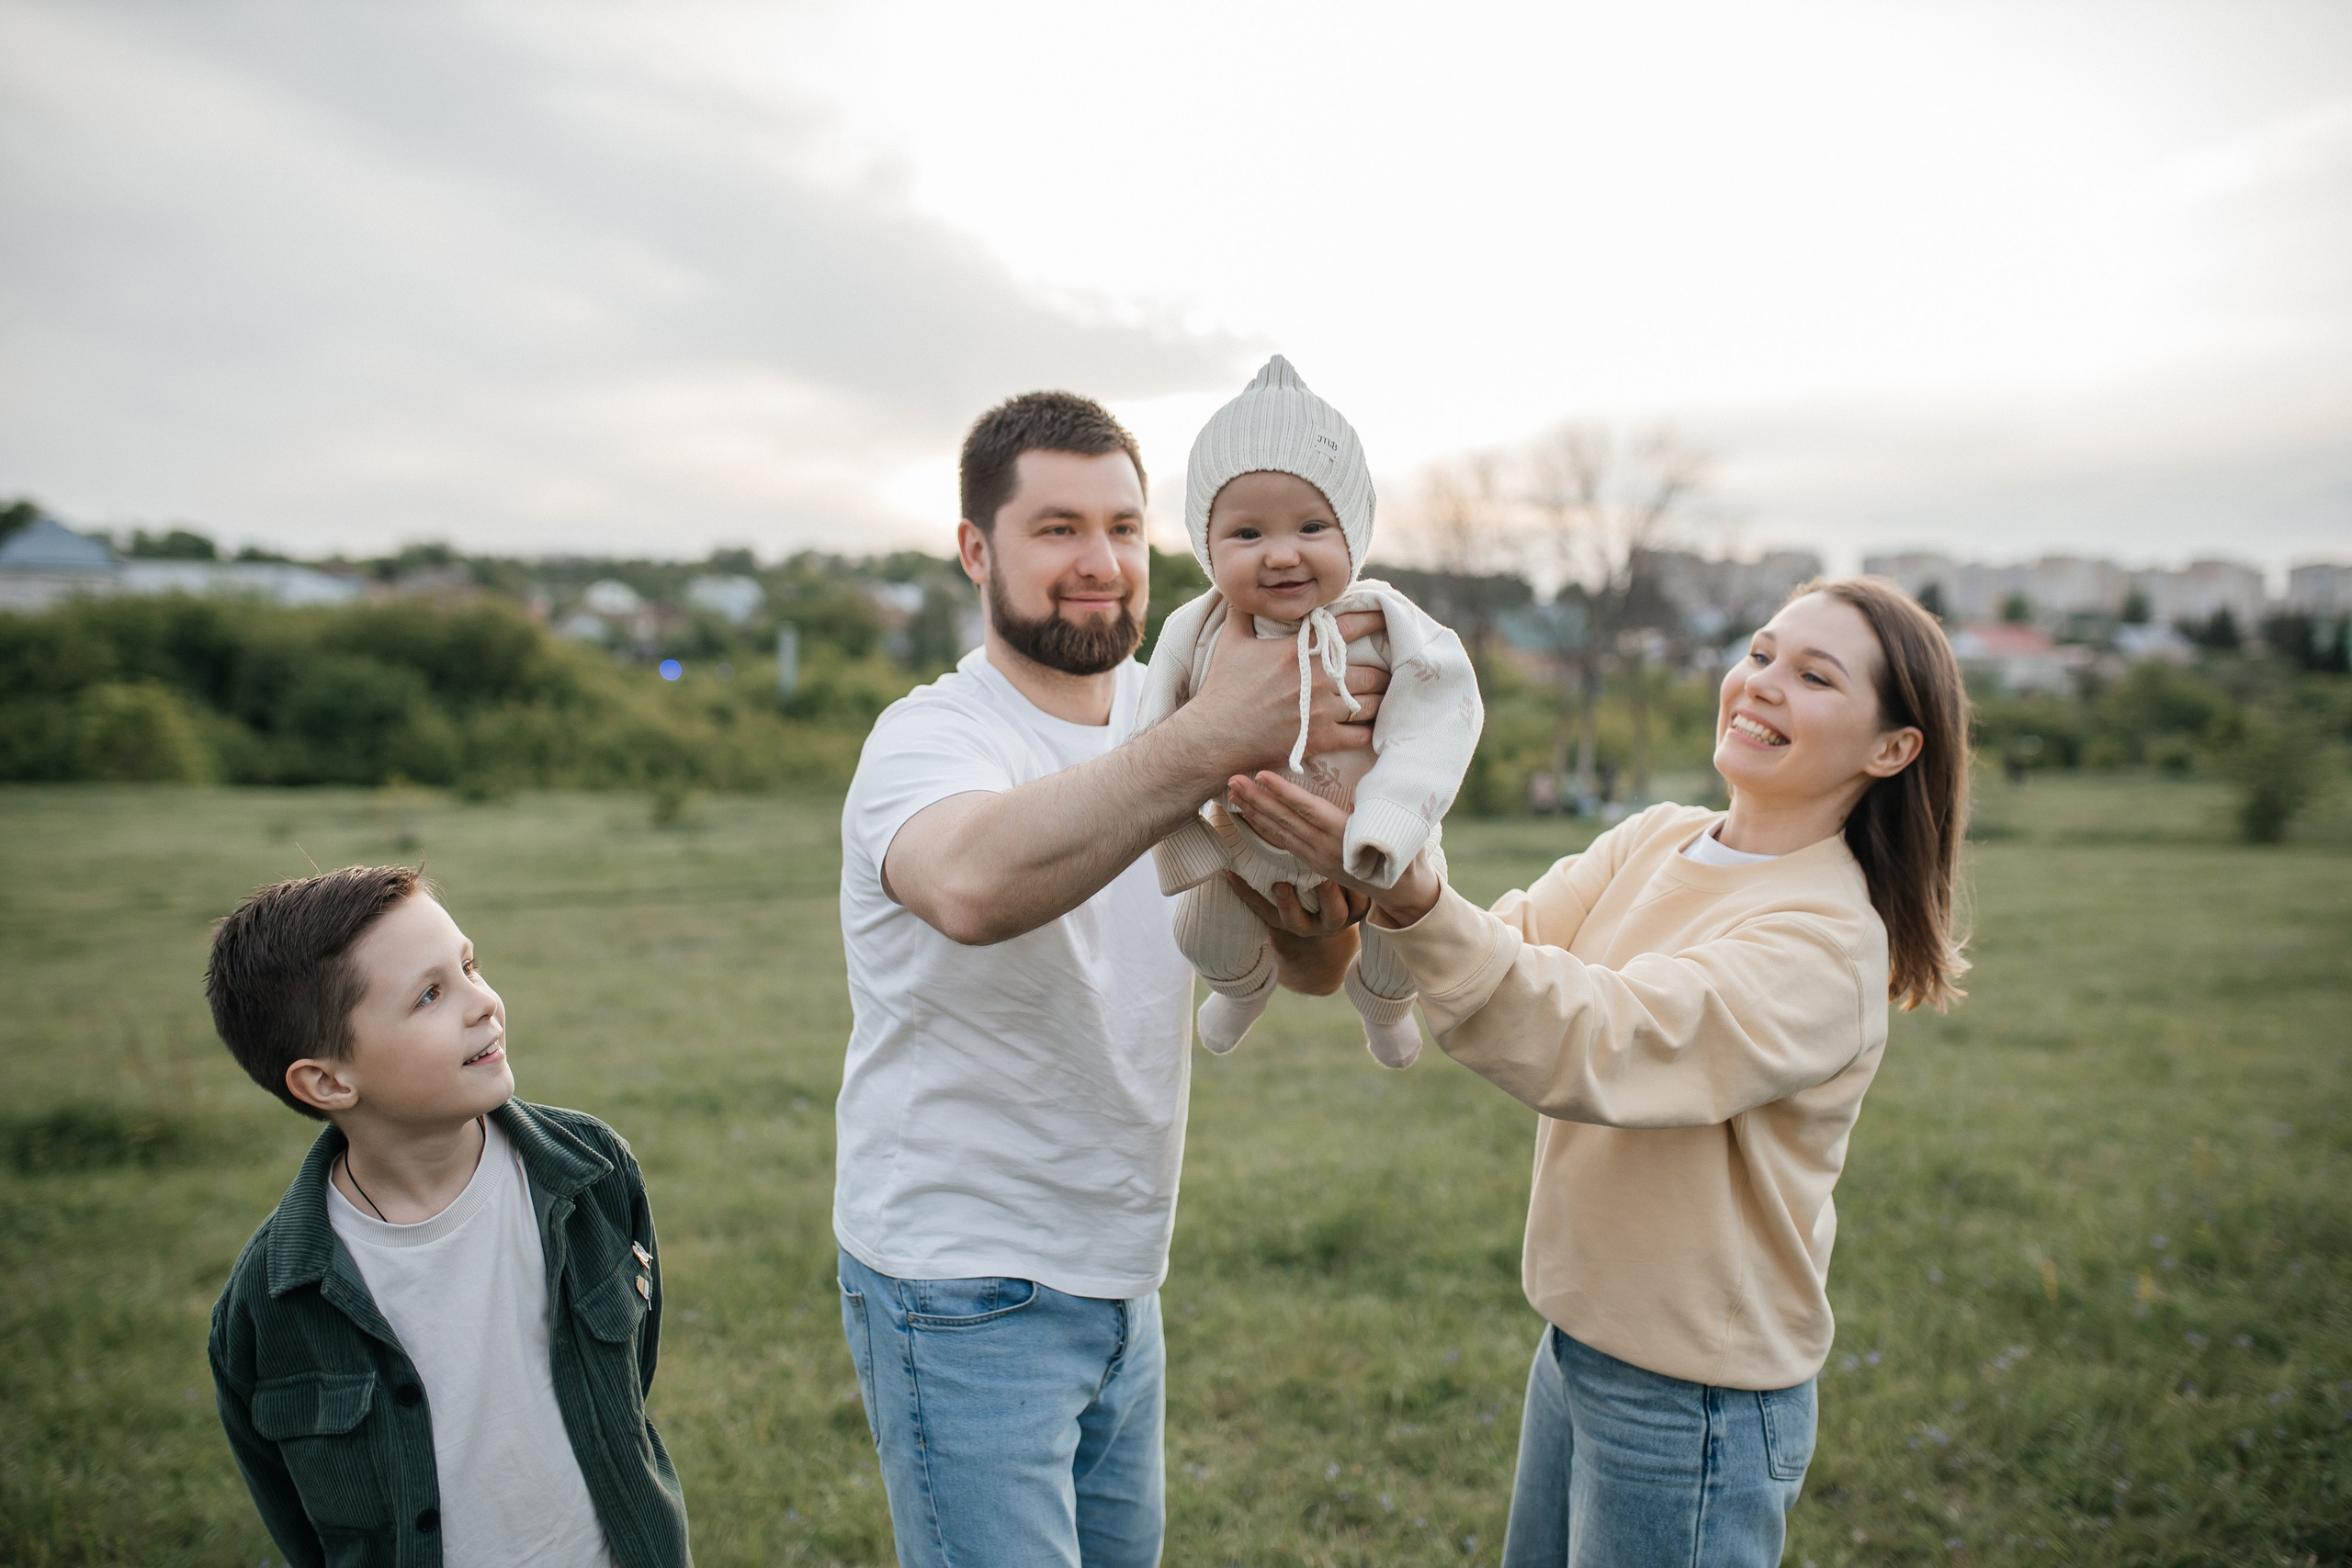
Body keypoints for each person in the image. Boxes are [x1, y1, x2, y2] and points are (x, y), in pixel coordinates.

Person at [1227, 577, 1970, 1567]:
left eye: (1814, 676)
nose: (1762, 685)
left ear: (1892, 749)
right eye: (1758, 654)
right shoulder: (1657, 838)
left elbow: (1594, 1039)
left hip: (1694, 1398)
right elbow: (1497, 948)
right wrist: (1360, 828)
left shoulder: (1824, 942)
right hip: (1578, 1349)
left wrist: (1407, 898)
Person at [832, 389, 1389, 1568]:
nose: (1101, 565)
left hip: (1124, 1273)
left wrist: (1318, 894)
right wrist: (1211, 738)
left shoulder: (1184, 708)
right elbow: (972, 889)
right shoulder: (930, 739)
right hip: (960, 1283)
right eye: (1057, 530)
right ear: (977, 550)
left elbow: (1314, 965)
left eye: (1125, 530)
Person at [205, 865, 688, 1568]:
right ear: (328, 1081)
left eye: (470, 965)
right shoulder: (269, 1306)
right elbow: (299, 1521)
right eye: (431, 994)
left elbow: (626, 1383)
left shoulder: (592, 1172)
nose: (483, 1003)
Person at [1139, 355, 1481, 1067]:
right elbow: (1154, 727)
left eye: (1311, 526)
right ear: (1206, 546)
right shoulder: (1194, 629)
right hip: (1244, 841)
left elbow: (1440, 709)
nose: (1282, 554)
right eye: (1247, 534)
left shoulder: (1382, 619)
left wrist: (1390, 822)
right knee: (1200, 930)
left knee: (1407, 939)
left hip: (1374, 840)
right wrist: (1181, 836)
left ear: (1353, 534)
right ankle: (1241, 987)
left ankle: (1383, 1009)